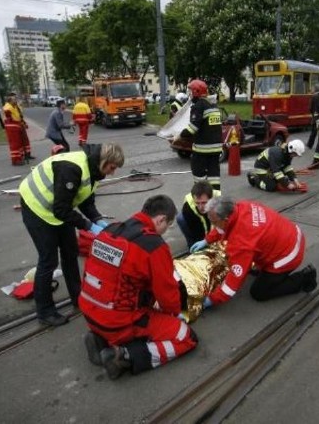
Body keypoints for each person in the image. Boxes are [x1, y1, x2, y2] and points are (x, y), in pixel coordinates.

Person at [79, 194, 197, 380]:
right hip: (118, 322)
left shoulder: (111, 230)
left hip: (90, 312)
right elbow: (168, 296)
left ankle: (100, 339)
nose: (165, 231)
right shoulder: (153, 246)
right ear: (161, 219)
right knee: (185, 336)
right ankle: (123, 355)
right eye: (167, 225)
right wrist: (176, 315)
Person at [19, 143, 125, 326]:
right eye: (112, 167)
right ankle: (45, 312)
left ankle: (78, 297)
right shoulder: (72, 168)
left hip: (59, 209)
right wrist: (88, 225)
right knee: (48, 260)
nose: (112, 172)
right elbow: (61, 209)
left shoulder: (95, 170)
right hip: (36, 207)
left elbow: (85, 201)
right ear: (105, 161)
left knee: (70, 252)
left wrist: (98, 219)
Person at [190, 197, 317, 307]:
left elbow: (232, 284)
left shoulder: (242, 242)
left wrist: (212, 300)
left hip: (288, 255)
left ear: (226, 219)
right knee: (250, 267)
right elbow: (222, 228)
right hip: (291, 234)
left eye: (214, 222)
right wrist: (207, 240)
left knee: (259, 293)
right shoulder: (241, 206)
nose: (213, 225)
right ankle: (264, 269)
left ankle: (304, 278)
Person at [174, 79, 223, 190]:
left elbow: (192, 129)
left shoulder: (198, 106)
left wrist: (179, 136)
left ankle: (200, 195)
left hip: (202, 150)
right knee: (214, 176)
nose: (189, 94)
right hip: (216, 149)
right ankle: (215, 199)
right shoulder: (213, 105)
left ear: (196, 92)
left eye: (190, 91)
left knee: (198, 174)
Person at [176, 181, 221, 248]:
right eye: (197, 203)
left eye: (204, 203)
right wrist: (203, 242)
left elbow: (224, 226)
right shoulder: (188, 206)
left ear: (211, 198)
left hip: (217, 224)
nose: (200, 207)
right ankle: (192, 245)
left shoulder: (221, 201)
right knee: (180, 218)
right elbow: (196, 230)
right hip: (198, 225)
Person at [3, 92, 34, 165]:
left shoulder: (15, 106)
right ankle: (16, 160)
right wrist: (18, 124)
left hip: (18, 126)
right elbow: (10, 119)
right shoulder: (7, 107)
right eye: (14, 99)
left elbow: (19, 116)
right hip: (13, 128)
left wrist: (23, 123)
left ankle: (25, 155)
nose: (16, 100)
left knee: (23, 142)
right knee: (15, 144)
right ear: (10, 100)